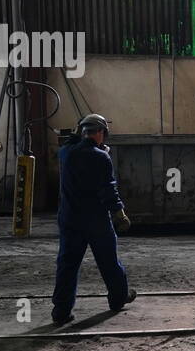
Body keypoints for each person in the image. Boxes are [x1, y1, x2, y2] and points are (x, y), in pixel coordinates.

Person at [51, 113, 135, 324]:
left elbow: (75, 150)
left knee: (67, 263)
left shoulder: (65, 152)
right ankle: (118, 299)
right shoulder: (100, 157)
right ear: (100, 133)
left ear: (81, 131)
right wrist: (119, 213)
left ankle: (61, 312)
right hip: (95, 219)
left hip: (69, 218)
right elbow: (108, 189)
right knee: (108, 261)